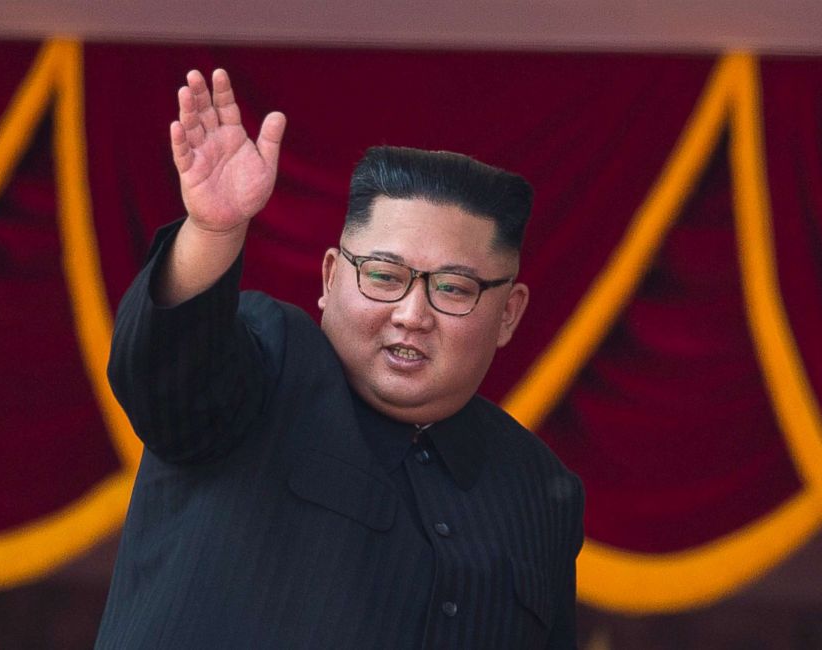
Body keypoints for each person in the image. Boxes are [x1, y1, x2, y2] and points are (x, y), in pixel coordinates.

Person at [96, 68, 584, 649]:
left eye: (453, 288)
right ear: (330, 276)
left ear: (508, 313)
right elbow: (166, 379)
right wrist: (211, 234)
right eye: (383, 276)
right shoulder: (267, 360)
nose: (411, 313)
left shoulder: (540, 487)